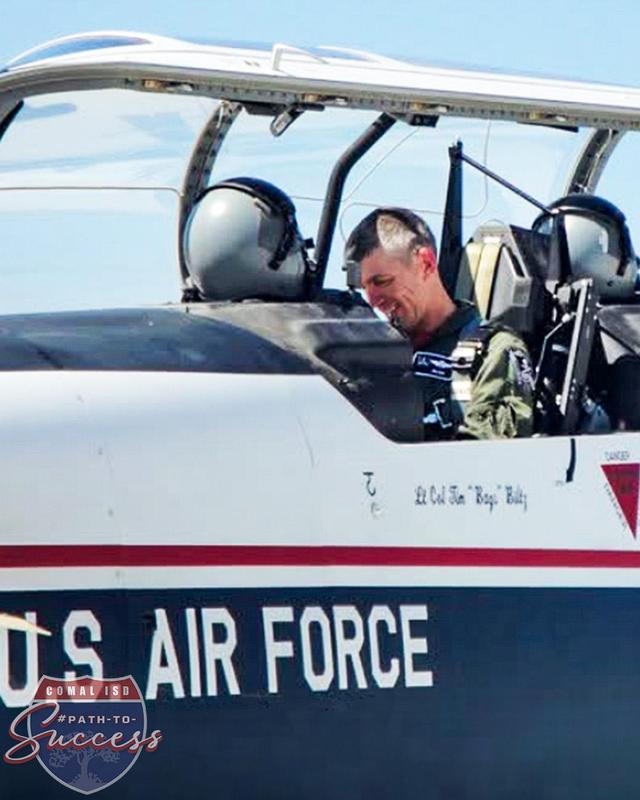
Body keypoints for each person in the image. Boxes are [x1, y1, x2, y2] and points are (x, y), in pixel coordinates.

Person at [344, 207, 534, 440]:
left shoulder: (493, 350)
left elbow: (489, 461)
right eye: (365, 289)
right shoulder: (371, 356)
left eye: (382, 281)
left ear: (425, 263)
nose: (373, 301)